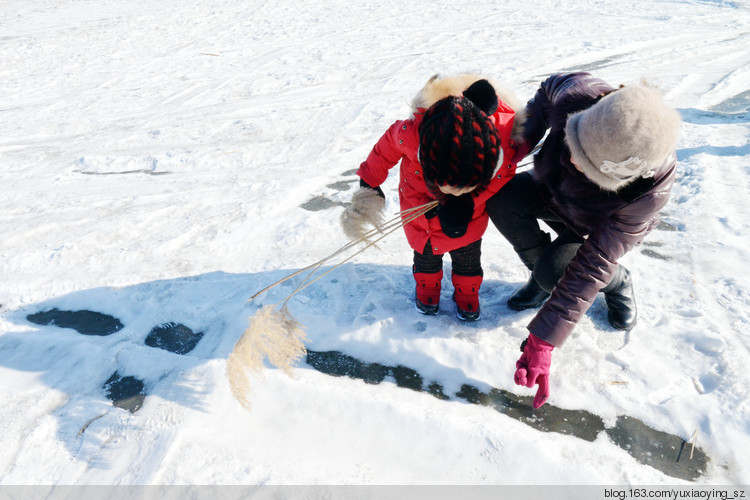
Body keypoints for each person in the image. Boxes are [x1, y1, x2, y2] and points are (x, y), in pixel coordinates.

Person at [486, 72, 681, 407]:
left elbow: (596, 260)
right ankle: (543, 277)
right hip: (551, 191)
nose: (572, 157)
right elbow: (547, 91)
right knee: (502, 200)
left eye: (586, 160)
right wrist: (523, 140)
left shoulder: (648, 192)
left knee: (560, 270)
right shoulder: (581, 95)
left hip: (593, 226)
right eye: (574, 141)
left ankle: (618, 283)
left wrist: (544, 340)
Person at [341, 74, 525, 321]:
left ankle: (467, 293)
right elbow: (386, 148)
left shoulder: (499, 143)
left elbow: (501, 177)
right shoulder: (414, 132)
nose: (451, 192)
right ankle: (427, 288)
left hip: (468, 219)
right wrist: (370, 181)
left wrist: (469, 202)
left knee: (467, 259)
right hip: (420, 215)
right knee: (426, 257)